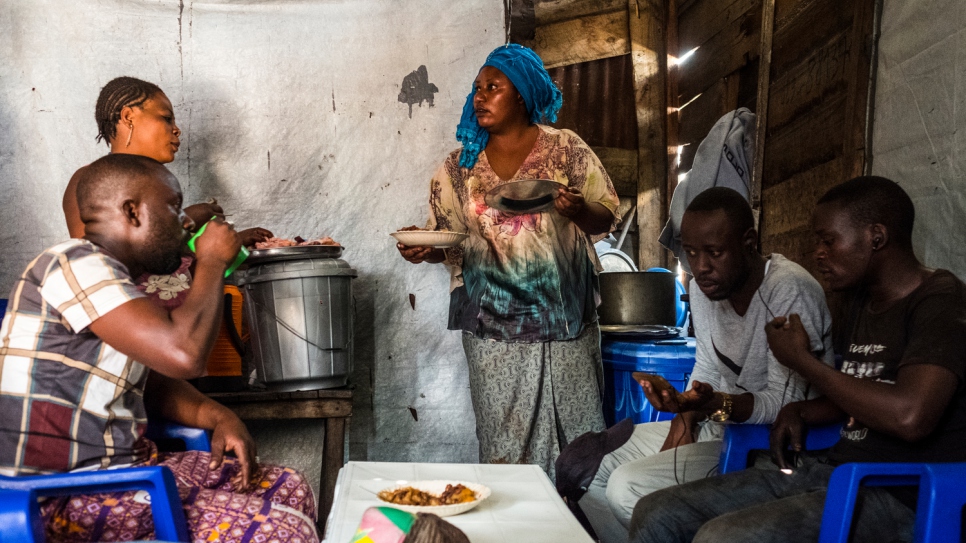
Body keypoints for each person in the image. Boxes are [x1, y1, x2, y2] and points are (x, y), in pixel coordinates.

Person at [629, 176, 966, 543]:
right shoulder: (863, 303)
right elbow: (860, 394)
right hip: (834, 470)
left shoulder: (941, 303)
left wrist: (802, 361)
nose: (818, 253)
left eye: (828, 240)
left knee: (721, 537)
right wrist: (803, 411)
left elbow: (910, 416)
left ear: (876, 237)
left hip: (900, 493)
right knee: (657, 513)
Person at [0, 154, 318, 543]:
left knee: (289, 486)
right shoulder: (73, 262)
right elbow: (184, 355)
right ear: (132, 212)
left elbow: (147, 382)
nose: (185, 221)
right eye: (173, 206)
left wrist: (218, 416)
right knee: (287, 532)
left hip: (124, 471)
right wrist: (212, 262)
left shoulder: (118, 283)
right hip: (64, 495)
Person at [395, 44, 620, 479]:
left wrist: (576, 210)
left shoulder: (566, 149)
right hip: (493, 327)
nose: (480, 97)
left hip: (565, 322)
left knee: (580, 441)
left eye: (492, 87)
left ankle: (581, 527)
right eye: (477, 89)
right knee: (506, 447)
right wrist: (424, 251)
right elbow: (448, 239)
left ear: (521, 94)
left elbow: (606, 214)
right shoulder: (459, 168)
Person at [570, 187, 834, 543]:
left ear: (749, 242)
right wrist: (685, 410)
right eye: (692, 253)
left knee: (626, 487)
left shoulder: (787, 289)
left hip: (766, 444)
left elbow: (784, 407)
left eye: (715, 252)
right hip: (723, 425)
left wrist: (712, 405)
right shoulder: (704, 289)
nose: (701, 267)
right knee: (587, 467)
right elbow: (708, 370)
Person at [62, 76, 272, 309]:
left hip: (174, 327)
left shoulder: (157, 187)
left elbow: (169, 272)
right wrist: (187, 219)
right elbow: (99, 266)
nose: (176, 129)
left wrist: (225, 248)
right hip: (134, 329)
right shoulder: (90, 180)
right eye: (166, 118)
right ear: (128, 117)